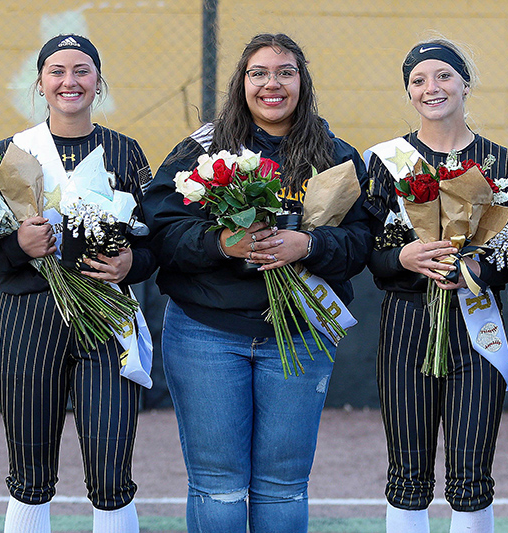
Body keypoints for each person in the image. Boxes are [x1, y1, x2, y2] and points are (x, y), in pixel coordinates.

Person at [141, 33, 371, 533]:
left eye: (286, 73)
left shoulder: (334, 154)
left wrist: (309, 247)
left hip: (299, 333)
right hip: (206, 333)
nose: (273, 84)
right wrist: (223, 243)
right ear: (241, 83)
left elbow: (361, 243)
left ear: (302, 82)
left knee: (284, 483)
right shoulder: (202, 150)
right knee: (217, 483)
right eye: (259, 73)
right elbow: (161, 233)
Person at [0, 34, 155, 532]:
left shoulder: (125, 151)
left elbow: (157, 241)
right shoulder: (14, 150)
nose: (69, 81)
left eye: (82, 70)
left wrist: (131, 263)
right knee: (29, 470)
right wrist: (17, 250)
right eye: (57, 71)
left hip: (107, 316)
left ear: (98, 81)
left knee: (112, 466)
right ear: (41, 82)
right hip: (31, 316)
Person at [363, 37, 508, 533]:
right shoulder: (385, 160)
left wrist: (476, 273)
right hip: (408, 322)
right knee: (408, 472)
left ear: (464, 83)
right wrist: (404, 256)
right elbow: (366, 250)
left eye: (443, 75)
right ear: (409, 93)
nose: (431, 87)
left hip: (475, 327)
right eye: (418, 80)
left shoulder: (500, 159)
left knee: (472, 472)